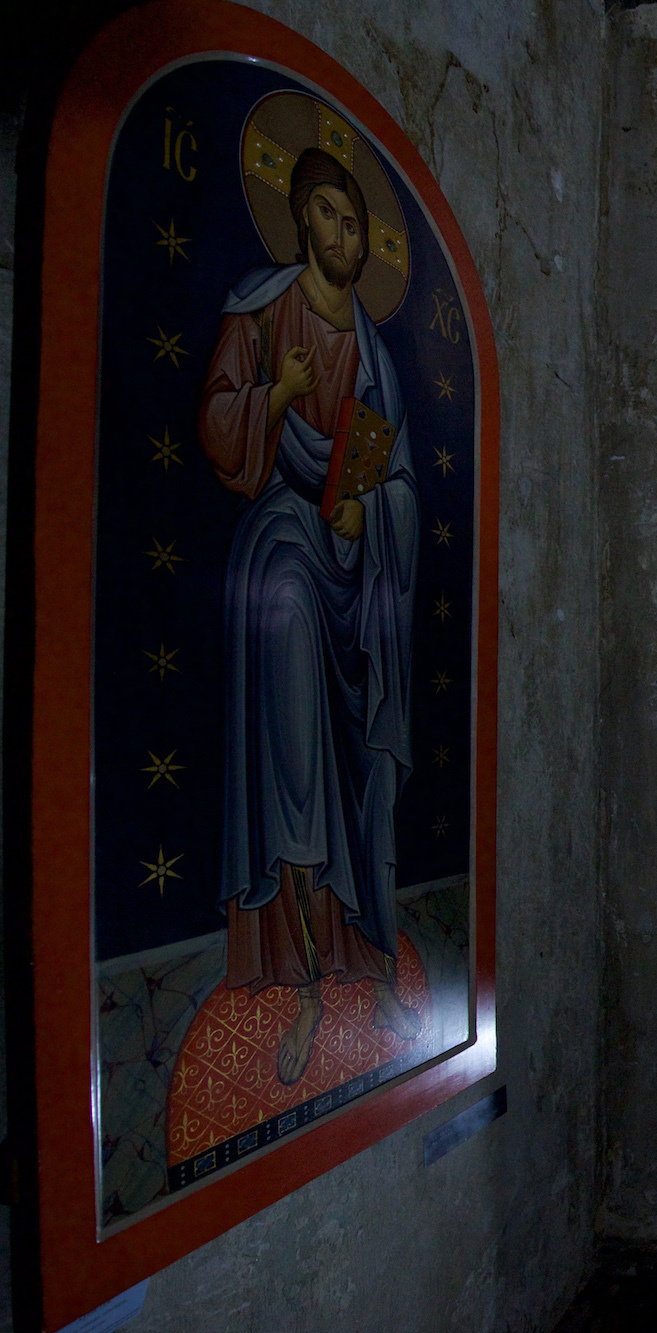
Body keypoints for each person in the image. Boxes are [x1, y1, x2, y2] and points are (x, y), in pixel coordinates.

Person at [199, 144, 423, 1084]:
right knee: (294, 757)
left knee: (358, 761)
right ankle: (298, 979)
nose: (346, 234)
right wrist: (279, 395)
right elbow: (219, 421)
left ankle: (364, 954)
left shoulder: (372, 345)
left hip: (354, 574)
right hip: (286, 556)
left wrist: (370, 506)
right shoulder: (260, 310)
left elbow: (395, 468)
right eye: (330, 215)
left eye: (356, 221)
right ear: (301, 221)